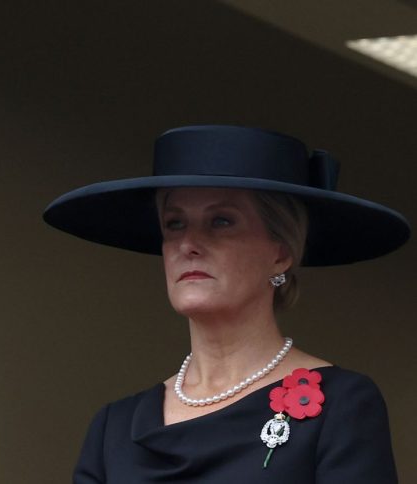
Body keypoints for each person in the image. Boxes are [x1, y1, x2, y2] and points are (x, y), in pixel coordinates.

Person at [43, 125, 409, 483]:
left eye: (220, 221)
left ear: (280, 252)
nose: (189, 244)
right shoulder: (114, 429)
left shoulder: (341, 406)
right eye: (174, 223)